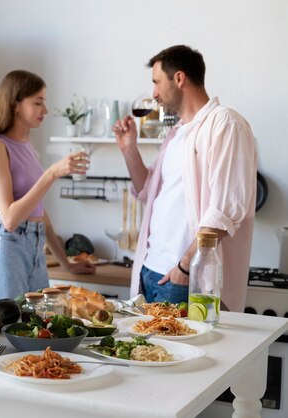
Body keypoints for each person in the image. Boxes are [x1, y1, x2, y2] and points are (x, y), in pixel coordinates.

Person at [112, 45, 257, 311]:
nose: (154, 94)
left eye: (156, 83)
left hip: (184, 278)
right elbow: (146, 191)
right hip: (149, 272)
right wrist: (129, 149)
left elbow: (225, 210)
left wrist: (185, 266)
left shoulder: (225, 124)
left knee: (191, 353)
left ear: (179, 78)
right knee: (149, 354)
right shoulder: (176, 134)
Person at [0, 70, 96, 308]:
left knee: (36, 327)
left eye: (44, 102)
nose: (45, 110)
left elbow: (38, 212)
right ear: (15, 104)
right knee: (7, 330)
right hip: (9, 245)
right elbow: (9, 218)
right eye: (38, 102)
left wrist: (66, 263)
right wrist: (52, 173)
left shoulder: (27, 144)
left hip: (34, 245)